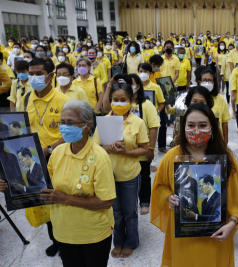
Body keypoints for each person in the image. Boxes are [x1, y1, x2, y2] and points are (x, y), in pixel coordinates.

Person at [150, 103, 238, 267]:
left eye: (202, 125)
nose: (196, 130)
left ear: (212, 127)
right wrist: (168, 198)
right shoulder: (172, 157)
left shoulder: (226, 158)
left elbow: (237, 198)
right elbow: (160, 187)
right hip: (183, 238)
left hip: (216, 237)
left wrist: (232, 224)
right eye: (191, 125)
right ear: (184, 127)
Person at [40, 100, 115, 267]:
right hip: (63, 232)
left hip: (92, 236)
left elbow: (106, 201)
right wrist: (12, 186)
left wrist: (66, 199)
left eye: (70, 122)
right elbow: (43, 185)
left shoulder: (100, 157)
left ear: (87, 126)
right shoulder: (58, 152)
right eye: (62, 122)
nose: (64, 127)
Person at [95, 75, 149, 258]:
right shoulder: (104, 122)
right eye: (115, 100)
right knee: (115, 211)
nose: (119, 103)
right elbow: (94, 148)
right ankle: (118, 241)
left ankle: (131, 241)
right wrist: (107, 148)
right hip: (108, 175)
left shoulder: (138, 122)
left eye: (123, 100)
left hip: (129, 175)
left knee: (130, 211)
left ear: (131, 100)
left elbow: (145, 150)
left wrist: (125, 151)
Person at [24, 58, 68, 256]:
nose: (34, 78)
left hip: (58, 158)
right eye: (31, 74)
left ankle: (67, 239)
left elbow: (71, 132)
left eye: (38, 74)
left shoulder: (63, 101)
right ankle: (55, 240)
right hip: (35, 161)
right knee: (46, 200)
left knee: (62, 200)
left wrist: (50, 148)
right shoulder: (27, 98)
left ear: (50, 76)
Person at [103, 73, 160, 216]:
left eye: (133, 83)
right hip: (122, 155)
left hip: (140, 148)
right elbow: (105, 107)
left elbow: (153, 127)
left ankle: (144, 202)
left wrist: (151, 148)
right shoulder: (117, 107)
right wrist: (110, 85)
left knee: (144, 177)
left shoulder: (146, 105)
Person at [199, 67, 230, 143]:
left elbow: (224, 123)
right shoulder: (195, 98)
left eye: (209, 80)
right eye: (204, 80)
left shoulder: (220, 99)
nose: (207, 83)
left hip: (217, 141)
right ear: (200, 82)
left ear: (214, 82)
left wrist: (225, 143)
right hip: (198, 140)